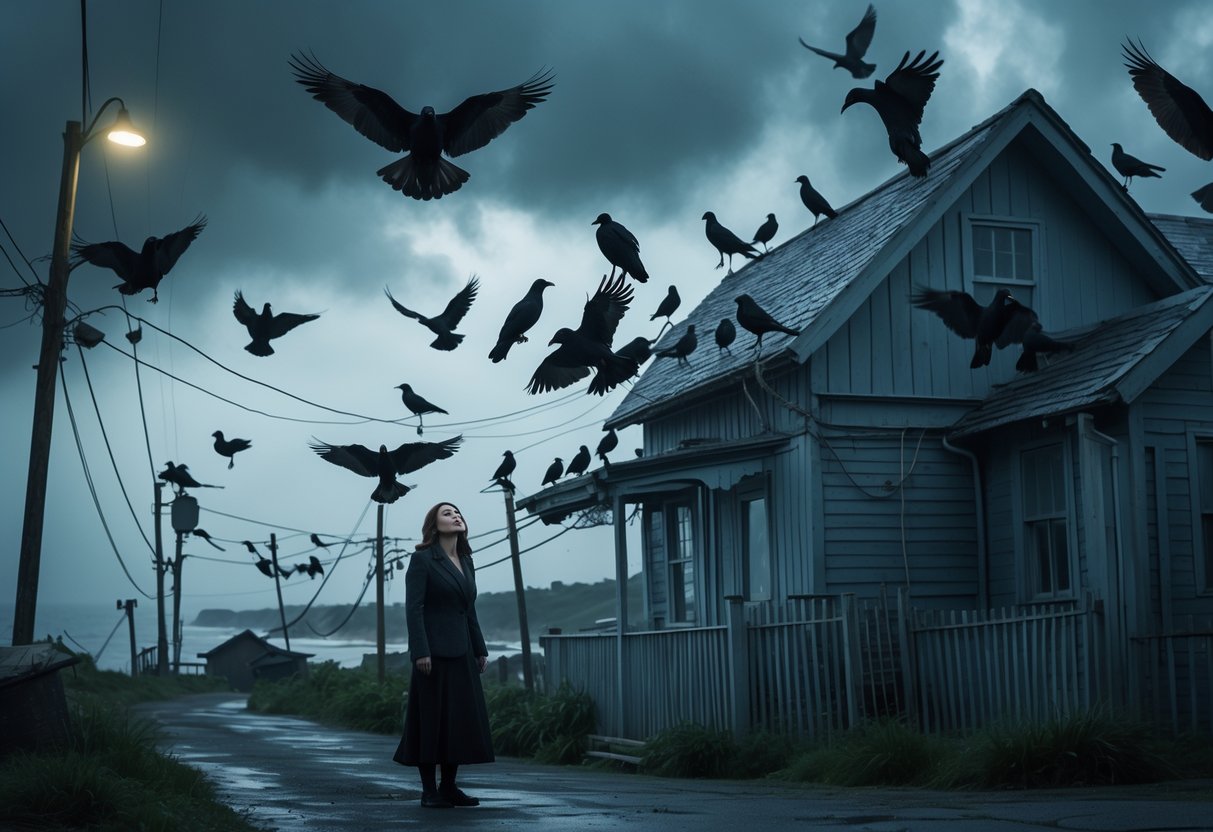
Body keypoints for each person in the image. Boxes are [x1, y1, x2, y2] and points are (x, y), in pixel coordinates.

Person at [393, 502, 494, 808]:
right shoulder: (423, 559)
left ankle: (449, 787)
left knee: (459, 720)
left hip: (463, 651)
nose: (456, 516)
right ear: (434, 526)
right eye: (448, 513)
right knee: (432, 720)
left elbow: (469, 609)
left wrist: (479, 649)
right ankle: (429, 792)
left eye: (459, 512)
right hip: (433, 654)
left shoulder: (466, 560)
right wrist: (420, 651)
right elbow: (415, 608)